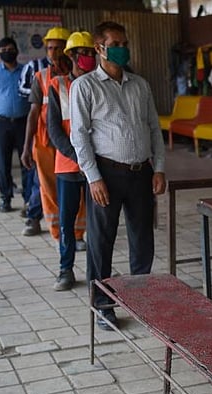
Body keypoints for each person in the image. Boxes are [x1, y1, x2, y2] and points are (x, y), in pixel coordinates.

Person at [70, 21, 166, 330]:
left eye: (125, 43)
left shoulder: (140, 85)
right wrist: (93, 177)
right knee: (102, 242)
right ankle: (103, 305)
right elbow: (79, 136)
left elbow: (154, 129)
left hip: (141, 173)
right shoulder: (85, 86)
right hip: (106, 174)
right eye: (116, 43)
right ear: (99, 48)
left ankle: (141, 301)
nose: (123, 49)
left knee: (142, 239)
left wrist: (159, 167)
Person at [46, 31, 95, 291]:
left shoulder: (101, 84)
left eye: (92, 53)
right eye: (85, 53)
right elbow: (54, 130)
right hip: (68, 165)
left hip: (97, 167)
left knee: (97, 221)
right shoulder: (58, 85)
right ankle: (65, 270)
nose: (89, 58)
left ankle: (96, 272)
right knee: (66, 221)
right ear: (73, 56)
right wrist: (79, 156)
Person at [20, 26, 73, 238]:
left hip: (69, 141)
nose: (53, 53)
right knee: (46, 187)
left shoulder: (77, 77)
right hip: (44, 142)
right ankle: (55, 230)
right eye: (49, 48)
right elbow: (33, 114)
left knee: (73, 188)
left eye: (58, 48)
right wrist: (26, 147)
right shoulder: (40, 77)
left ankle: (76, 232)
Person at [0, 37, 31, 213]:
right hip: (2, 123)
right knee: (3, 163)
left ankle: (28, 198)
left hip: (23, 122)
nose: (6, 52)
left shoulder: (25, 70)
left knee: (26, 161)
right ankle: (6, 197)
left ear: (17, 51)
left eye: (10, 49)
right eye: (2, 50)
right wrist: (0, 110)